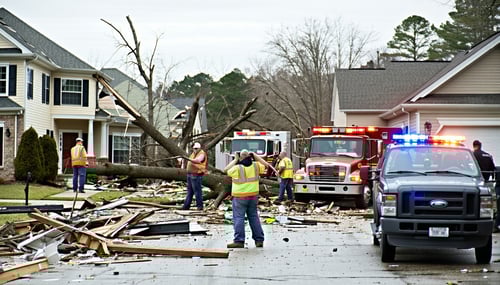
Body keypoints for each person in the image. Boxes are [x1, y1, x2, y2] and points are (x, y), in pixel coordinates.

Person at [224, 149, 277, 248]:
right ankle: (259, 240)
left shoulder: (237, 168)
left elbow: (225, 170)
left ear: (240, 158)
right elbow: (266, 165)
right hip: (253, 196)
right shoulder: (256, 166)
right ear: (250, 157)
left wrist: (235, 160)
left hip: (239, 197)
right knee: (254, 217)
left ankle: (239, 241)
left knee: (239, 218)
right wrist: (255, 156)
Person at [181, 142, 208, 210]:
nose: (195, 150)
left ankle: (200, 206)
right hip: (190, 174)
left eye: (196, 149)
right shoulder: (193, 154)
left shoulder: (202, 154)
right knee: (190, 191)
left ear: (199, 148)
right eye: (194, 148)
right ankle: (186, 206)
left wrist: (188, 159)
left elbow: (197, 160)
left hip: (197, 175)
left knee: (197, 192)